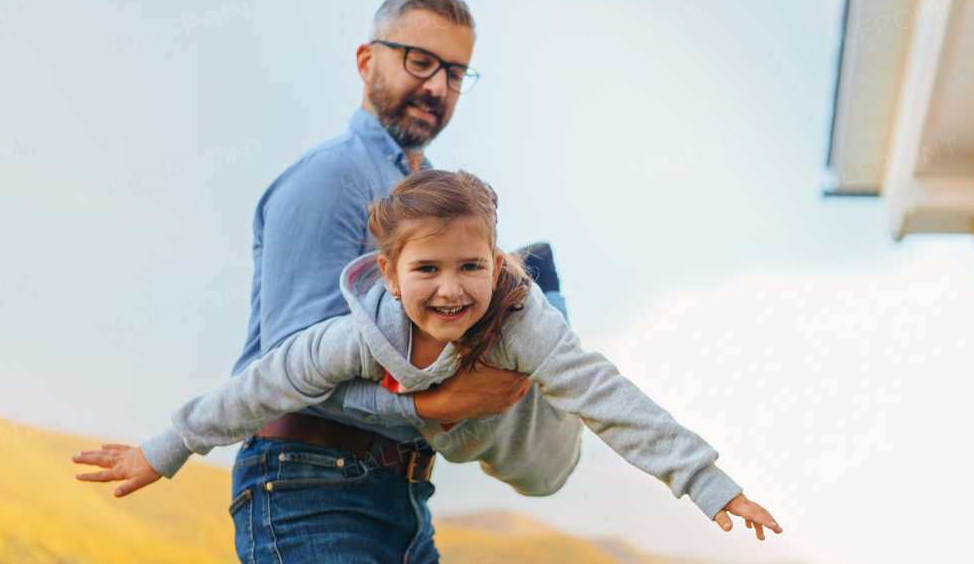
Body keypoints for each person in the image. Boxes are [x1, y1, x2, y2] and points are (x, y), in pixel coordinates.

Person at [91, 0, 577, 563]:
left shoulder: (435, 209)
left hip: (402, 497)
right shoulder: (332, 177)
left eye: (455, 73)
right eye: (420, 62)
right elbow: (292, 364)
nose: (437, 87)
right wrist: (433, 407)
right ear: (367, 60)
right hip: (310, 487)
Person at [73, 170, 783, 559]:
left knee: (555, 434)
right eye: (428, 268)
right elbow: (258, 387)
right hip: (380, 469)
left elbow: (610, 398)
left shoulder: (516, 322)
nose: (451, 288)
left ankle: (547, 278)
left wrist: (710, 484)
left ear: (496, 262)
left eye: (472, 265)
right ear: (388, 272)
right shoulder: (349, 338)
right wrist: (163, 449)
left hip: (514, 436)